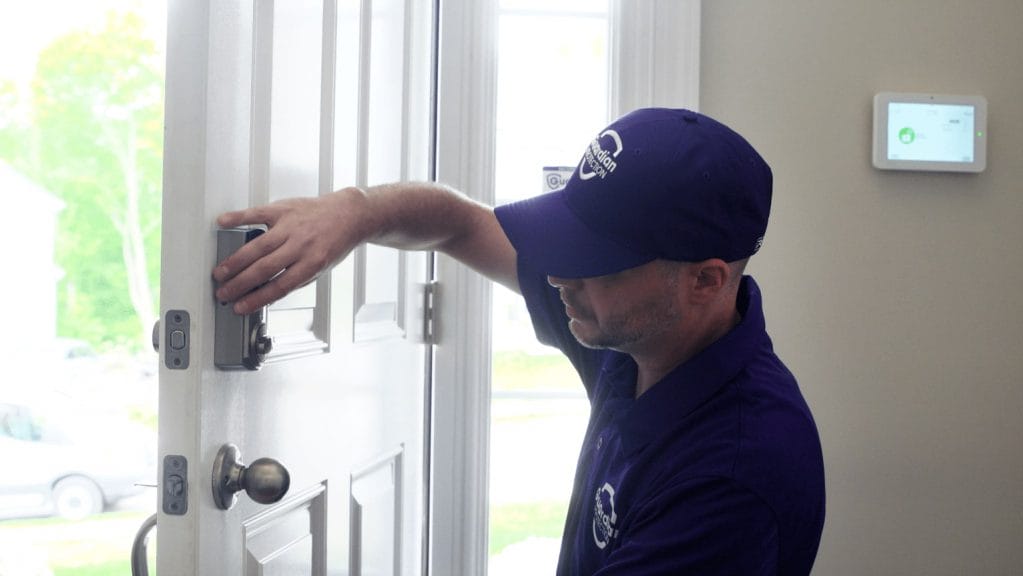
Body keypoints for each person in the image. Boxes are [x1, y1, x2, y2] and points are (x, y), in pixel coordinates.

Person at [213, 108, 826, 574]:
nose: (558, 276)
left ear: (705, 281)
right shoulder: (640, 337)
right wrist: (356, 211)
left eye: (596, 261)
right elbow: (459, 224)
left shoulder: (733, 479)